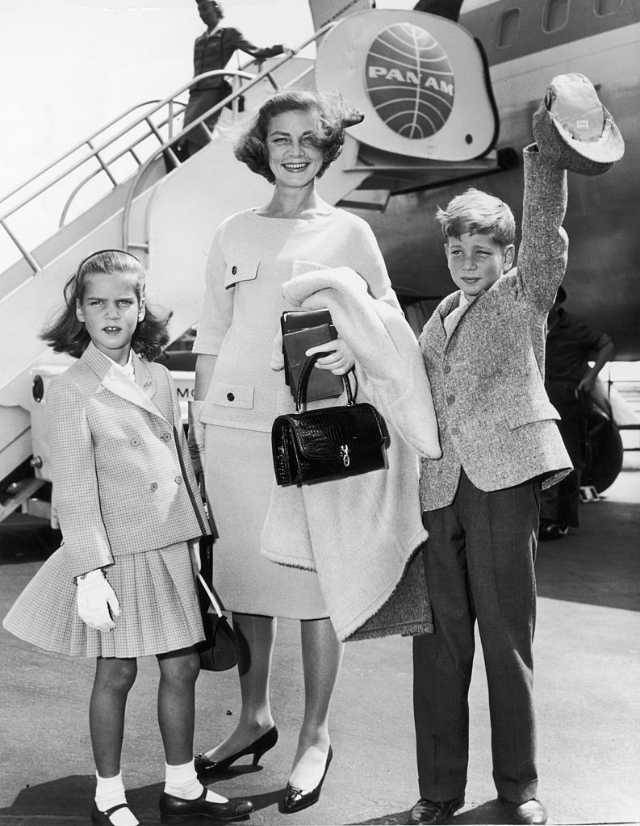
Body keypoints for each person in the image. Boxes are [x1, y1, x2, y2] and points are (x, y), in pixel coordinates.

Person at [188, 88, 440, 815]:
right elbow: (212, 333)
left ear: (326, 147)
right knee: (247, 584)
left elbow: (387, 328)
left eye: (307, 138)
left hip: (314, 430)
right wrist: (203, 433)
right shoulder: (233, 231)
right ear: (260, 149)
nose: (294, 151)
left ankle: (315, 736)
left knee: (312, 588)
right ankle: (253, 719)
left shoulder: (352, 234)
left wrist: (349, 346)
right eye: (280, 139)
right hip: (235, 431)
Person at [410, 74, 624, 826]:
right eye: (458, 248)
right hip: (437, 490)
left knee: (507, 643)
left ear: (505, 255)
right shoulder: (434, 315)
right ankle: (437, 793)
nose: (469, 260)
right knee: (438, 652)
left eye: (483, 250)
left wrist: (546, 149)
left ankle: (518, 790)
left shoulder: (524, 294)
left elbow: (543, 226)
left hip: (503, 483)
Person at [2, 250, 254, 826]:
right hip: (116, 554)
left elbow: (178, 461)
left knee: (182, 668)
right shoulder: (70, 389)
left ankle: (181, 786)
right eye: (98, 303)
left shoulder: (158, 376)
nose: (111, 313)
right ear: (81, 314)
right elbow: (73, 487)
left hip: (169, 544)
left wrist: (197, 535)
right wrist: (88, 571)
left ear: (141, 309)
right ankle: (108, 794)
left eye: (123, 301)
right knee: (116, 672)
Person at [538, 285, 615, 540]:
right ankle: (545, 517)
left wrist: (592, 377)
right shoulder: (532, 325)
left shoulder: (573, 327)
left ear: (559, 304)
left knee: (569, 461)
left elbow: (606, 344)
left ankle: (562, 520)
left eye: (551, 303)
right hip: (541, 402)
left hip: (569, 402)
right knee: (543, 461)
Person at [178, 0, 292, 158]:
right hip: (195, 92)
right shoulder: (199, 40)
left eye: (205, 8)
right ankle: (193, 160)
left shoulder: (229, 34)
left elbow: (256, 51)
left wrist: (281, 48)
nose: (202, 13)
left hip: (212, 90)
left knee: (195, 131)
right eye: (199, 10)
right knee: (186, 133)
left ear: (216, 8)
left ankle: (203, 159)